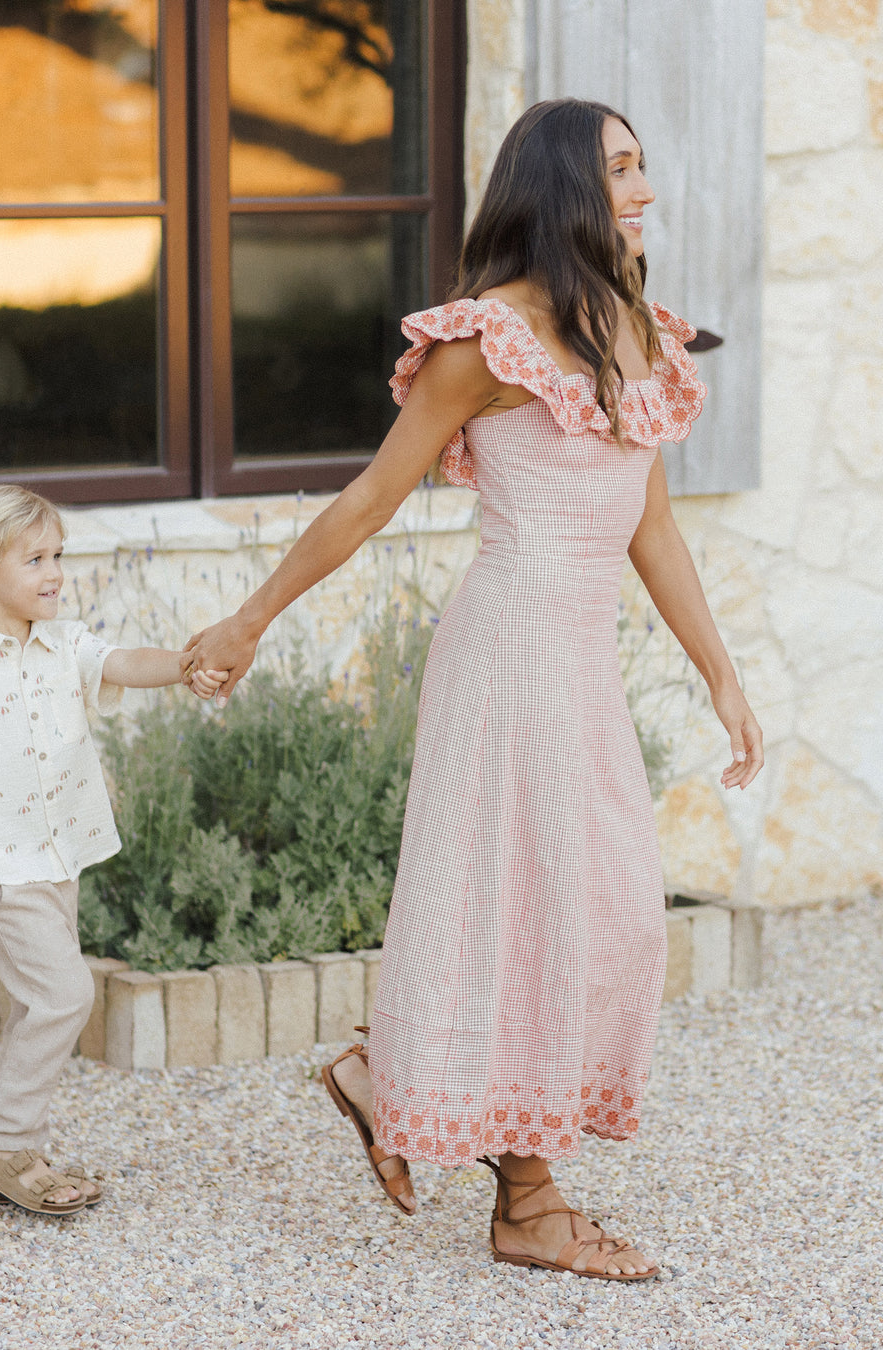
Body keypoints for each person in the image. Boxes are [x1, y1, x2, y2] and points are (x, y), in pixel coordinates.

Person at [184, 99, 763, 1280]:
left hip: (580, 663)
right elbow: (365, 501)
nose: (645, 189)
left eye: (646, 165)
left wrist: (722, 674)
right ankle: (530, 1203)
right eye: (619, 170)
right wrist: (248, 621)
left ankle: (379, 1077)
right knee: (533, 913)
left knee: (614, 918)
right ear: (560, 192)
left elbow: (649, 524)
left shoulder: (634, 332)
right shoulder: (483, 343)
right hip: (504, 659)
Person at [0, 484, 225, 1215]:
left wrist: (188, 662)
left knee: (36, 1000)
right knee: (64, 994)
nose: (55, 572)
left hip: (56, 855)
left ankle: (18, 1146)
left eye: (58, 555)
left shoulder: (65, 643)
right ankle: (4, 1143)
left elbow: (125, 662)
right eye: (34, 558)